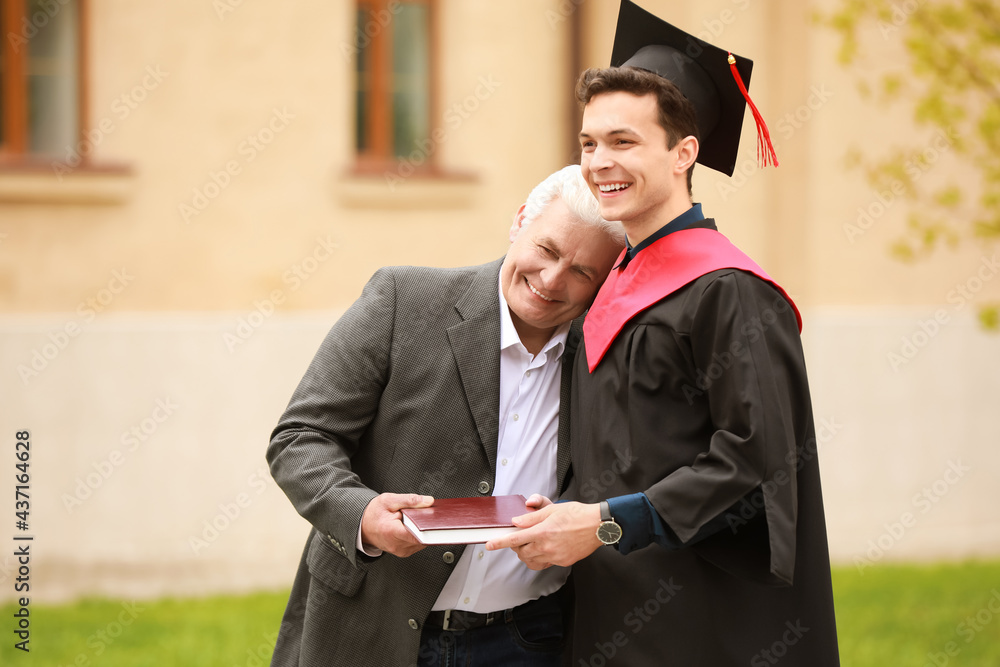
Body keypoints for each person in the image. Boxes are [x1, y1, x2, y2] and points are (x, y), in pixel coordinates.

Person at [486, 2, 840, 664]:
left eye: (624, 142)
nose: (599, 162)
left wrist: (606, 521)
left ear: (684, 153)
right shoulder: (610, 281)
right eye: (589, 143)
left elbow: (757, 461)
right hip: (603, 612)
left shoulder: (727, 291)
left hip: (702, 624)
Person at [266, 165, 625, 667]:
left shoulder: (611, 355)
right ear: (521, 221)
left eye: (582, 271)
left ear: (606, 279)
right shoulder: (402, 300)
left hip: (531, 638)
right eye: (547, 250)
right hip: (373, 629)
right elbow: (300, 437)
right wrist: (362, 514)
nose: (551, 279)